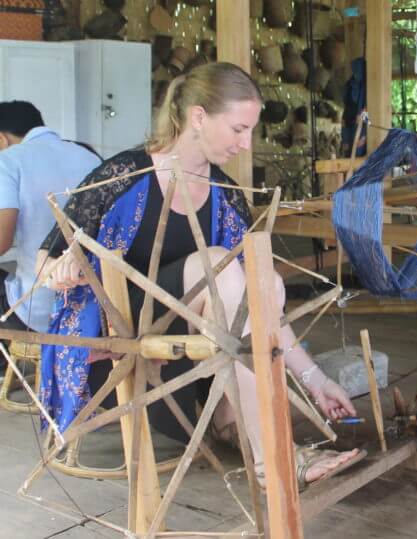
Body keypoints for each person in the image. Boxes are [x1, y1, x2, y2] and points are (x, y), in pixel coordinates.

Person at [38, 62, 362, 488]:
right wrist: (59, 271)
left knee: (266, 280)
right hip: (122, 335)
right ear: (197, 117)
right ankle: (272, 462)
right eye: (238, 129)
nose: (246, 144)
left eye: (250, 131)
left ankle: (236, 421)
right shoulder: (124, 175)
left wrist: (315, 379)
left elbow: (260, 304)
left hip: (201, 334)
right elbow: (46, 258)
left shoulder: (226, 196)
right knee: (220, 266)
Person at [0, 101, 100, 383]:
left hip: (40, 314)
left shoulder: (9, 160)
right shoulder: (89, 157)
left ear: (0, 138)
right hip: (95, 307)